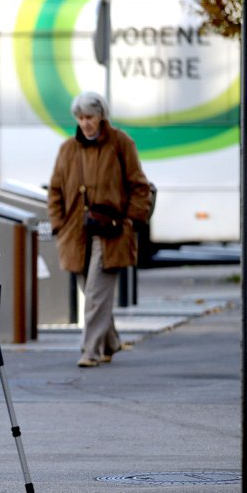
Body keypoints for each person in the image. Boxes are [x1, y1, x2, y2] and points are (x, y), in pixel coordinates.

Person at [47, 91, 154, 368]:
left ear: (101, 116)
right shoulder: (68, 149)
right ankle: (110, 342)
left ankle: (90, 351)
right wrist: (58, 224)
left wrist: (131, 220)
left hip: (112, 232)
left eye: (90, 117)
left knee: (95, 294)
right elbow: (55, 191)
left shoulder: (120, 143)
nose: (85, 123)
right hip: (75, 233)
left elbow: (139, 186)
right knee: (95, 294)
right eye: (80, 118)